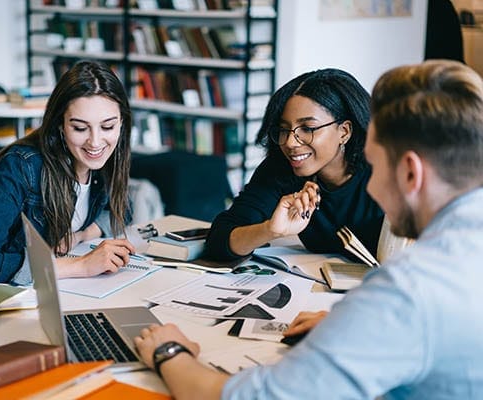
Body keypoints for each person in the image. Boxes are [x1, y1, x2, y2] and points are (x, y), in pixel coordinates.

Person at [134, 60, 483, 399]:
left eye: (375, 167)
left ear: (410, 172)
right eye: (285, 130)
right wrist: (357, 326)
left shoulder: (406, 290)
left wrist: (169, 352)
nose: (372, 186)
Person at [0, 61, 137, 285]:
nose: (95, 142)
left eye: (107, 127)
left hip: (53, 291)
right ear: (60, 125)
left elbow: (122, 208)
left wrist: (81, 236)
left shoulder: (105, 159)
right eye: (79, 128)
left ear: (121, 123)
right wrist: (82, 265)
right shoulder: (20, 167)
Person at [204, 68, 384, 262]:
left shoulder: (387, 172)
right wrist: (269, 230)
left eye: (307, 128)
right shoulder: (282, 169)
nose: (290, 142)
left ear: (344, 131)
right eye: (284, 129)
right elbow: (218, 241)